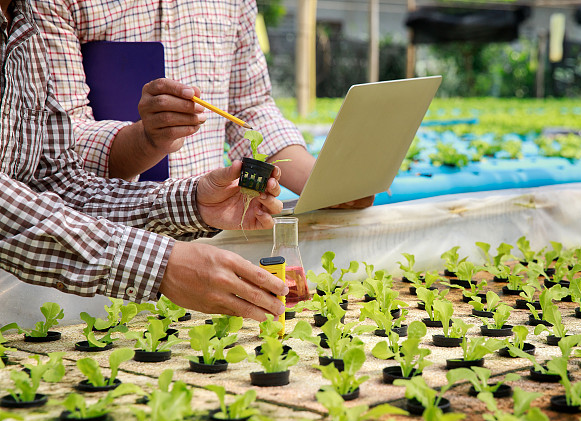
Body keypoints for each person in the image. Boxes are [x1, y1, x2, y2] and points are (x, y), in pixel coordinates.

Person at [0, 0, 289, 323]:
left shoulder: (24, 21)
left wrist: (192, 205)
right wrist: (161, 264)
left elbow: (54, 183)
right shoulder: (45, 10)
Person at [34, 0, 373, 209]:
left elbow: (250, 108)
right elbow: (58, 141)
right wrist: (147, 140)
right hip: (106, 234)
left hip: (210, 222)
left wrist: (321, 185)